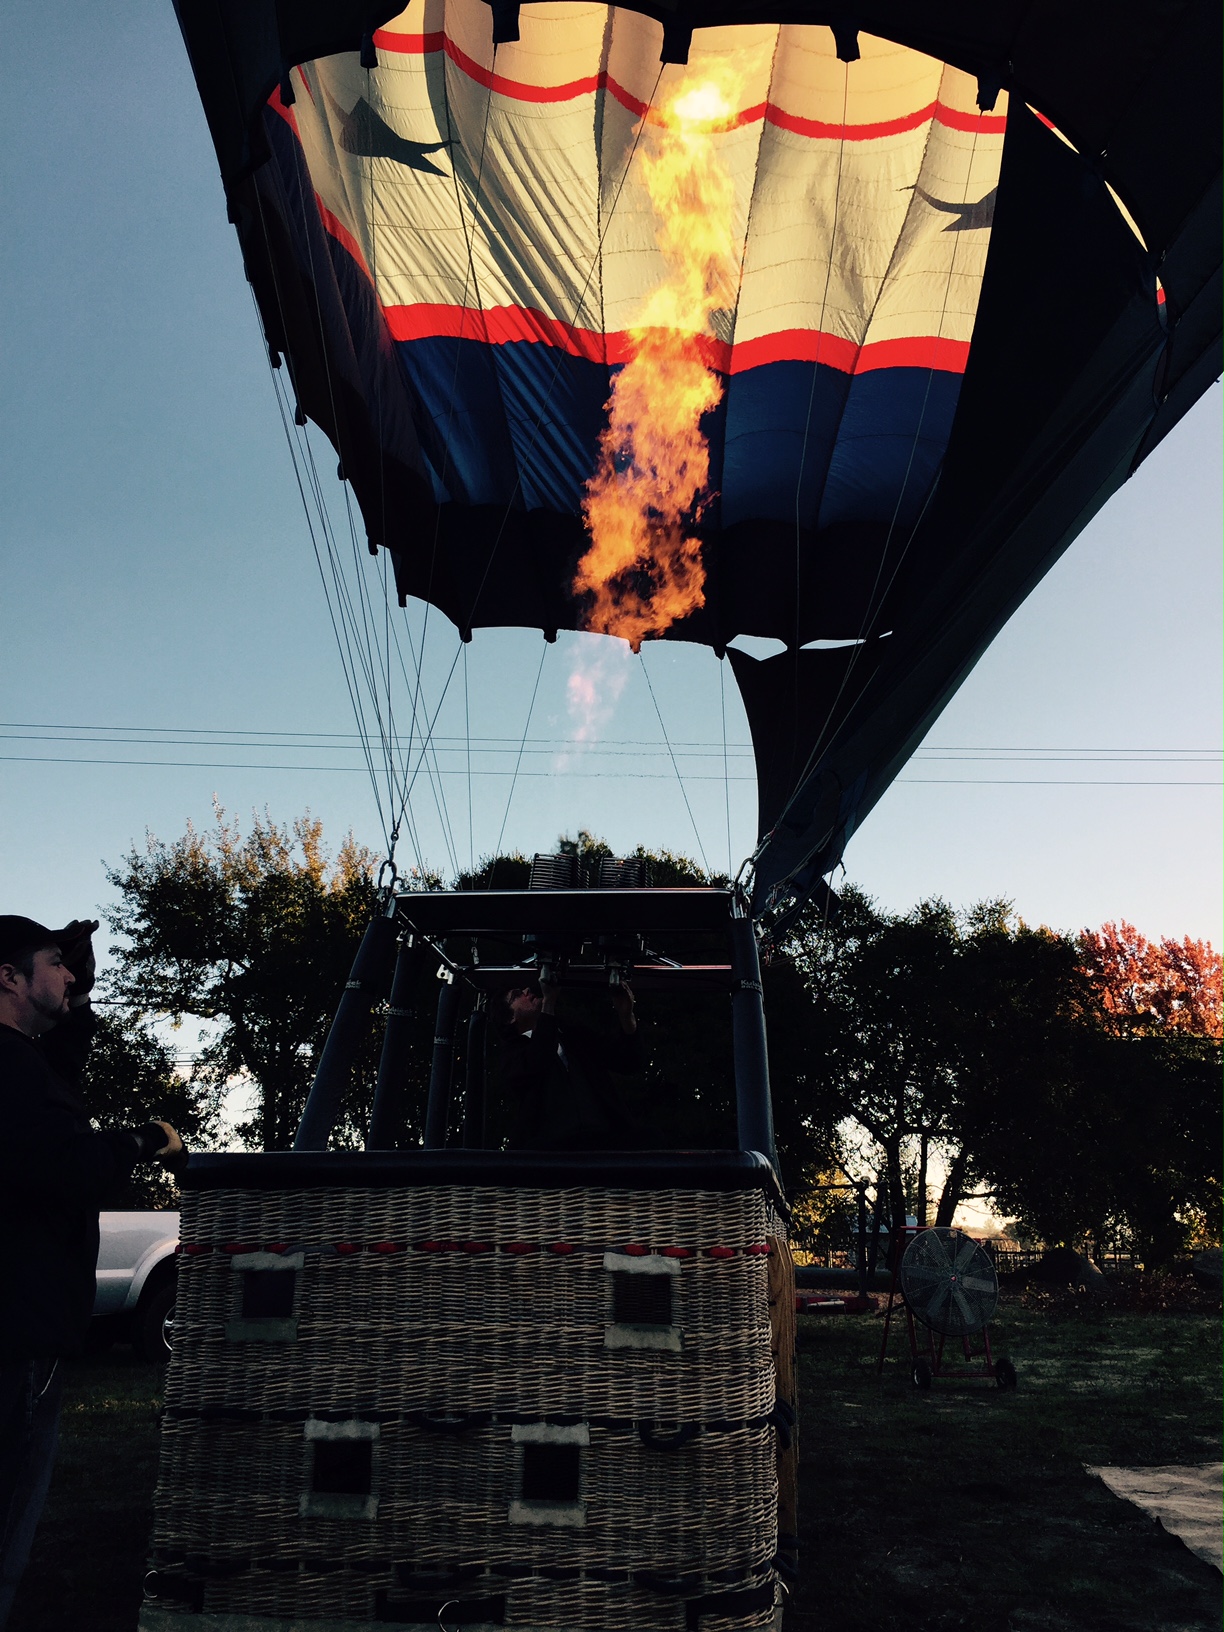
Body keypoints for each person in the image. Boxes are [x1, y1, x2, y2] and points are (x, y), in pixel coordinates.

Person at [0, 915, 185, 1627]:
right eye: (56, 962)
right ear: (8, 977)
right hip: (17, 1338)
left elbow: (61, 1073)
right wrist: (142, 1140)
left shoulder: (22, 1064)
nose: (72, 975)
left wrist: (79, 982)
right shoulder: (9, 1068)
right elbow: (66, 1163)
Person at [499, 970, 643, 1150]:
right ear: (511, 1018)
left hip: (603, 1145)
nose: (527, 990)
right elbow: (539, 1059)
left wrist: (626, 1015)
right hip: (551, 1156)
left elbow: (629, 1062)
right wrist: (548, 1004)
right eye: (517, 995)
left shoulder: (573, 1035)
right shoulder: (513, 1057)